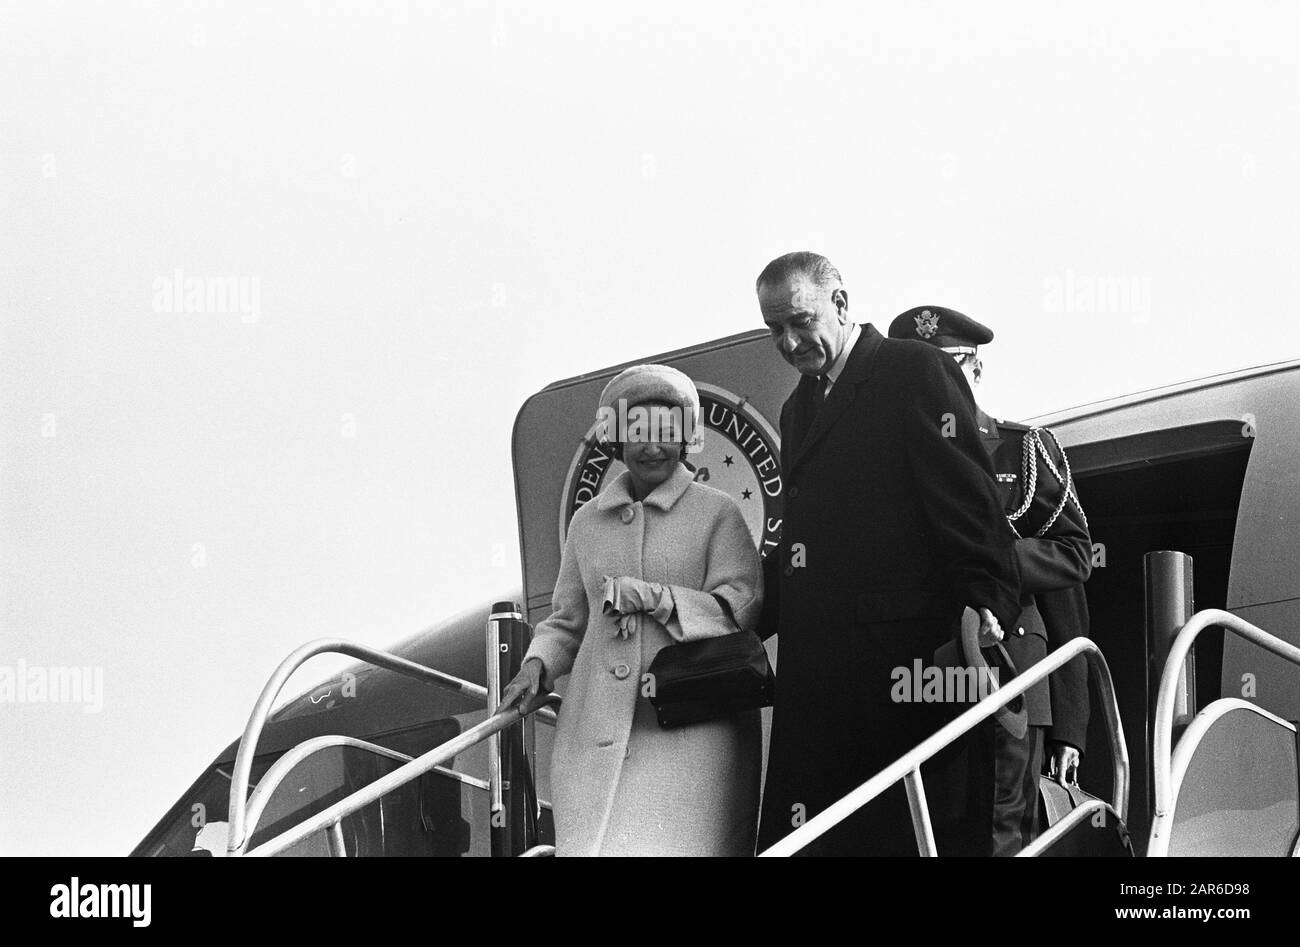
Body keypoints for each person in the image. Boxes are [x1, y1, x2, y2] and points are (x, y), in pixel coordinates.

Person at [753, 251, 1022, 857]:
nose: (790, 341)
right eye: (776, 329)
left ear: (841, 304)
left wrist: (987, 603)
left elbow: (970, 503)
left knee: (908, 836)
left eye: (801, 321)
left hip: (903, 669)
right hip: (822, 679)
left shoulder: (913, 370)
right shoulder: (798, 408)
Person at [497, 364, 764, 856]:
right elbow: (566, 622)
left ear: (685, 439)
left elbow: (739, 609)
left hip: (692, 736)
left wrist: (655, 599)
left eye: (667, 432)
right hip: (593, 735)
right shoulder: (586, 524)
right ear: (616, 439)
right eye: (637, 432)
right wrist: (536, 666)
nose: (653, 447)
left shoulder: (717, 512)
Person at [888, 306, 1093, 855]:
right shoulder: (886, 464)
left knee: (1002, 834)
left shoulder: (1021, 448)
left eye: (949, 366)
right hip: (916, 672)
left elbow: (1072, 565)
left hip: (1011, 670)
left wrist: (1072, 721)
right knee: (922, 829)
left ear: (974, 370)